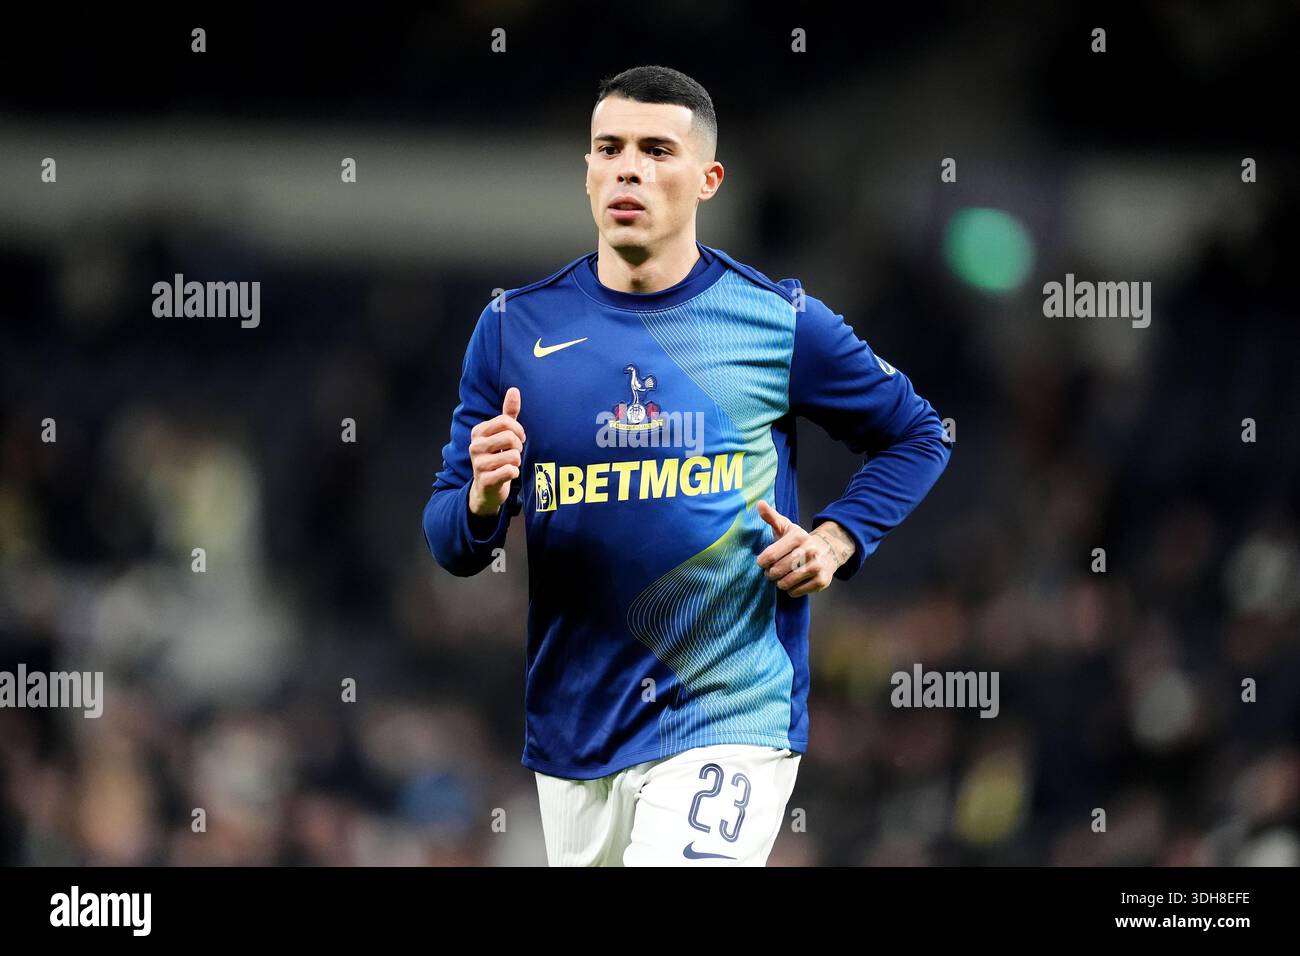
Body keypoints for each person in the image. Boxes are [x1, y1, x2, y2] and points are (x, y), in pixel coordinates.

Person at [422, 65, 952, 865]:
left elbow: (919, 434)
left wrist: (837, 541)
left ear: (708, 179)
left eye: (657, 149)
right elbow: (448, 541)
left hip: (728, 711)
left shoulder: (777, 323)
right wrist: (485, 500)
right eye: (610, 147)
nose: (629, 167)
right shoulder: (512, 330)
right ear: (589, 171)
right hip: (576, 725)